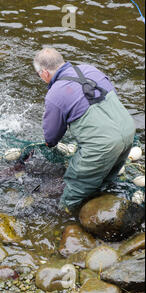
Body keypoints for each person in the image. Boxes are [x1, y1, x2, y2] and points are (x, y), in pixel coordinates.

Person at [33, 47, 136, 211]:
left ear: (44, 73)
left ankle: (68, 223)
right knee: (105, 181)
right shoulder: (90, 69)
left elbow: (51, 136)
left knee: (74, 190)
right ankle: (107, 206)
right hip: (128, 131)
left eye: (39, 75)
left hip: (102, 146)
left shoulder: (55, 93)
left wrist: (49, 143)